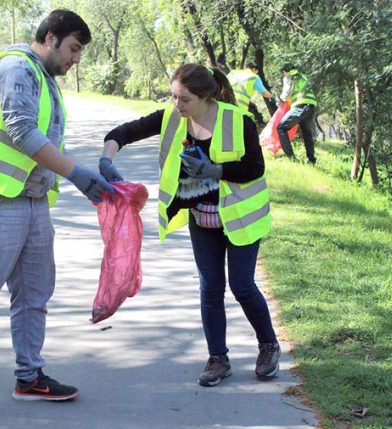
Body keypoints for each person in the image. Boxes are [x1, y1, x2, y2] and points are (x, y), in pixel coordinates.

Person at [0, 9, 114, 426]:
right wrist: (77, 175)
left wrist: (81, 173)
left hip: (31, 203)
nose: (75, 59)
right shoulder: (16, 68)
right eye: (73, 48)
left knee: (34, 295)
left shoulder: (44, 78)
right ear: (50, 37)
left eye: (80, 52)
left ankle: (29, 377)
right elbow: (22, 132)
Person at [98, 63, 281, 387]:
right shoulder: (172, 118)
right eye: (173, 97)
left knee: (241, 285)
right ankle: (218, 359)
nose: (177, 106)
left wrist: (213, 170)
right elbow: (123, 133)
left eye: (184, 99)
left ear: (205, 96)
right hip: (202, 221)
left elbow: (254, 167)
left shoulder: (238, 121)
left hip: (240, 219)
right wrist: (106, 158)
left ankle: (268, 346)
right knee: (210, 288)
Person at [277, 64, 318, 164]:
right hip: (311, 106)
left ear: (285, 71)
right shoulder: (303, 76)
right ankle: (311, 160)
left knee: (281, 128)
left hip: (300, 105)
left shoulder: (289, 76)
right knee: (307, 133)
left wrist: (280, 99)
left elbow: (286, 93)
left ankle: (291, 157)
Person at [227, 62, 275, 127]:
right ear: (255, 69)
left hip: (225, 103)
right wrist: (272, 97)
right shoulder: (254, 77)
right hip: (240, 107)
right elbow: (264, 93)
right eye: (257, 72)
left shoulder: (233, 73)